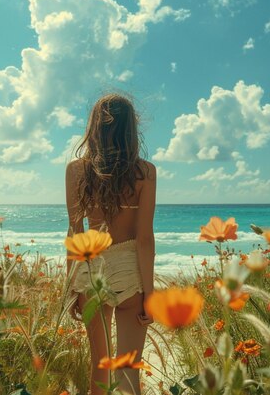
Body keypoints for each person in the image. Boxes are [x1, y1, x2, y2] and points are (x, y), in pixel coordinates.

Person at [65, 93, 156, 395]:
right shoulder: (145, 172)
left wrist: (70, 287)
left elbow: (75, 234)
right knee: (130, 372)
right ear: (132, 128)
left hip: (93, 272)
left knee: (100, 371)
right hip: (131, 271)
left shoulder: (76, 171)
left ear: (94, 127)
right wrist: (150, 293)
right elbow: (144, 238)